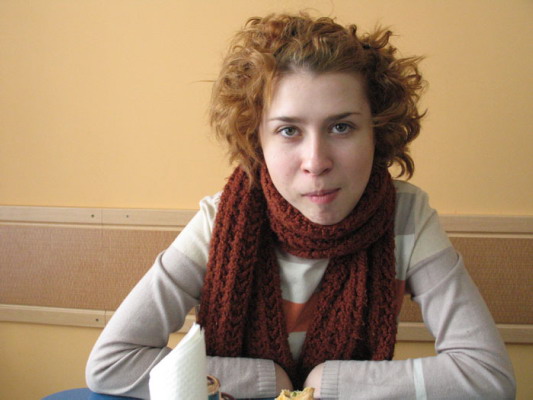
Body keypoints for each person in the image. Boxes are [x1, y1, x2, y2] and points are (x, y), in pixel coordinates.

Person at [86, 13, 516, 399]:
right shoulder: (217, 224)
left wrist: (328, 384)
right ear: (257, 141)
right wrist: (266, 381)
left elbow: (488, 375)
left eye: (341, 127)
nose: (316, 161)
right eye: (289, 131)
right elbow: (111, 364)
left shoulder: (406, 217)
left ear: (377, 131)